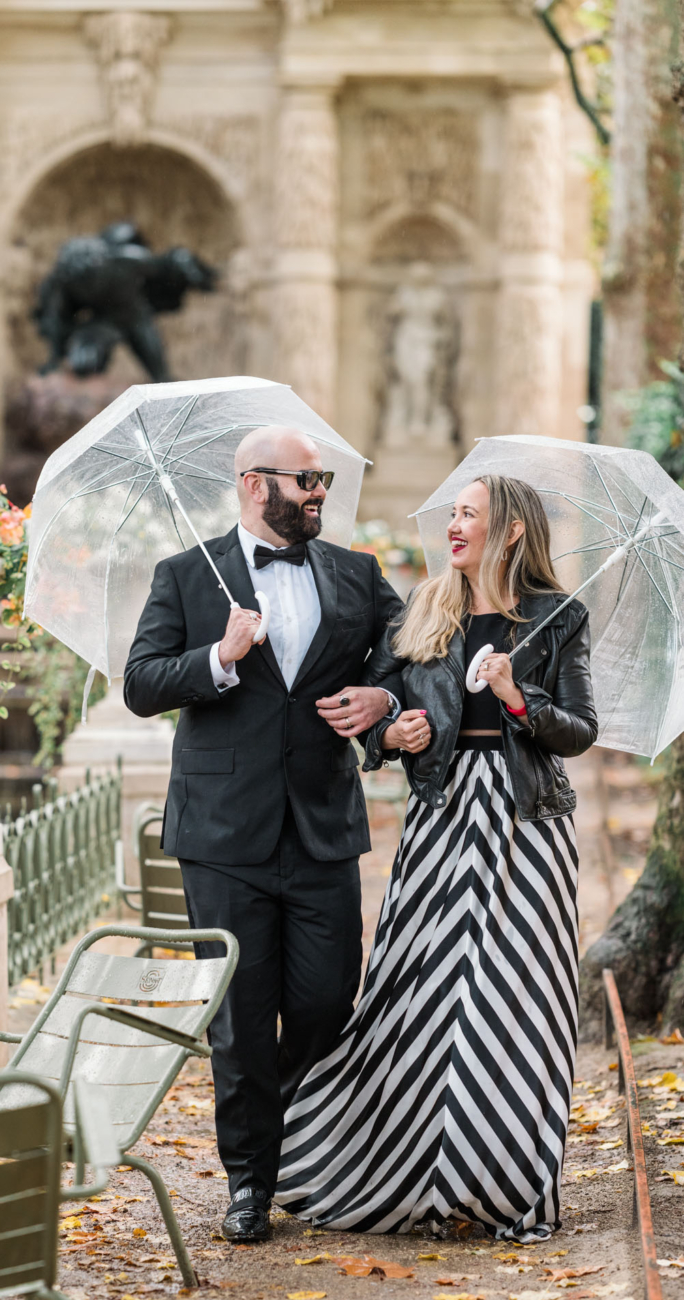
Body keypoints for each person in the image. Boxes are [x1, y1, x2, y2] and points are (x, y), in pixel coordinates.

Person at [276, 474, 598, 1243]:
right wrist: (390, 730)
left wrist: (520, 698)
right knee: (416, 992)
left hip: (527, 828)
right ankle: (401, 1174)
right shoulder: (427, 609)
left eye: (469, 514)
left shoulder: (559, 616)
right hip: (442, 819)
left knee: (515, 1004)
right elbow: (376, 702)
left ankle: (503, 1187)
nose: (454, 525)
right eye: (451, 512)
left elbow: (579, 730)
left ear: (511, 530)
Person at [123, 426, 403, 1243]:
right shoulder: (185, 575)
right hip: (221, 834)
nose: (320, 493)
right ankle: (251, 1182)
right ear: (255, 484)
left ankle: (285, 1135)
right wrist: (217, 655)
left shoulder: (357, 573)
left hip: (322, 823)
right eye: (306, 480)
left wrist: (380, 703)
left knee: (324, 1001)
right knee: (241, 1018)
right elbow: (143, 683)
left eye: (323, 481)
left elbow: (405, 655)